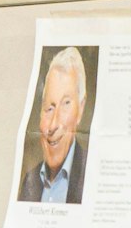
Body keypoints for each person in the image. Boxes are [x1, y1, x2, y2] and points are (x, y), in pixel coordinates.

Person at [19, 47, 89, 203]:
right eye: (49, 108)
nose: (53, 124)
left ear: (81, 108)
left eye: (65, 104)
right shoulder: (30, 182)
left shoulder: (91, 173)